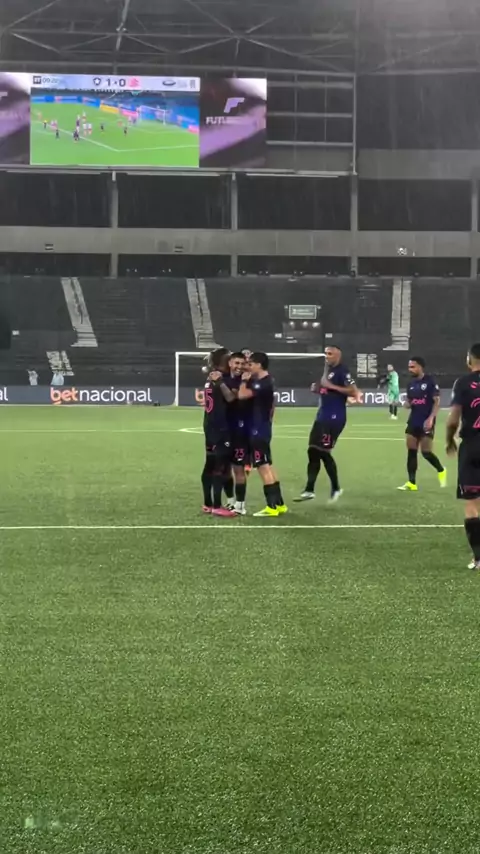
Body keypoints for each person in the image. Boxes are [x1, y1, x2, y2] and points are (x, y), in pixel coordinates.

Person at [295, 345, 362, 503]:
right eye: (326, 353)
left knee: (323, 452)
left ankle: (335, 487)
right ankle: (309, 490)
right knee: (312, 450)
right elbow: (325, 389)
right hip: (322, 416)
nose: (327, 356)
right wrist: (318, 389)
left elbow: (353, 391)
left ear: (338, 355)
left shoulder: (342, 371)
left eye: (330, 354)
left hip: (334, 417)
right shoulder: (327, 371)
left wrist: (330, 386)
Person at [238, 352, 287, 518]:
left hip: (258, 429)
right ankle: (279, 504)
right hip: (263, 427)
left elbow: (242, 395)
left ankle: (271, 507)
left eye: (250, 364)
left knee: (262, 467)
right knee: (268, 465)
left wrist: (244, 381)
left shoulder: (264, 383)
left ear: (259, 364)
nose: (248, 367)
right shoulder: (267, 380)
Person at [446, 344, 480, 569]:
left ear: (470, 358)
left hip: (473, 447)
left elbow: (453, 419)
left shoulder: (463, 383)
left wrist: (449, 439)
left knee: (472, 503)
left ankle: (479, 558)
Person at [398, 356, 446, 491]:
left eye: (412, 367)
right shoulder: (410, 384)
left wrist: (431, 419)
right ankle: (411, 482)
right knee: (411, 451)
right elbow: (410, 402)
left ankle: (441, 470)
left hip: (426, 421)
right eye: (409, 367)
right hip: (413, 420)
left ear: (420, 367)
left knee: (426, 452)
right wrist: (406, 404)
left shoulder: (430, 382)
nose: (410, 369)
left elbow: (436, 402)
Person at [201, 347, 237, 518]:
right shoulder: (219, 379)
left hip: (209, 425)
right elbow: (230, 398)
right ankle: (216, 505)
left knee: (209, 464)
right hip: (220, 427)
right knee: (220, 466)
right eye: (229, 358)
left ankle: (207, 503)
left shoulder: (210, 378)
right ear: (224, 360)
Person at [224, 352, 251, 515]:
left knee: (238, 469)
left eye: (242, 363)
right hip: (224, 430)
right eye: (236, 363)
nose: (239, 367)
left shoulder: (249, 382)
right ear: (230, 363)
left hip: (241, 431)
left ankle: (240, 505)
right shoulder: (224, 379)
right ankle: (230, 501)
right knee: (224, 468)